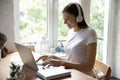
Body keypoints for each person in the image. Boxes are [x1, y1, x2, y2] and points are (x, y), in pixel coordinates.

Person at [36, 3, 97, 77]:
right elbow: (72, 59)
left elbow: (88, 67)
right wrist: (53, 57)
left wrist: (61, 62)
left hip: (84, 76)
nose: (65, 22)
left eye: (67, 18)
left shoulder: (90, 33)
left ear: (78, 17)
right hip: (72, 73)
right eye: (64, 19)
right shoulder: (71, 33)